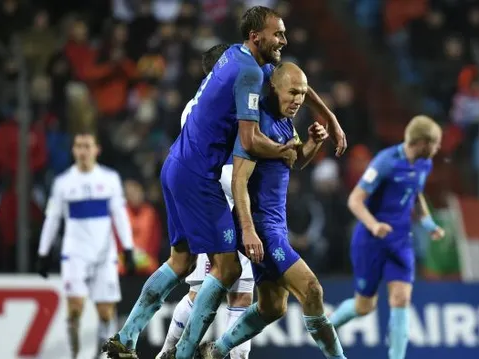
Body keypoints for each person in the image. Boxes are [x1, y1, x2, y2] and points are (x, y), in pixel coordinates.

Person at [104, 6, 347, 359]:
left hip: (177, 166)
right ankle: (185, 354)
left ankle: (126, 338)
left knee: (182, 263)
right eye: (277, 34)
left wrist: (331, 120)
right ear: (255, 37)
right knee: (227, 270)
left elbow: (293, 82)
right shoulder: (250, 77)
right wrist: (284, 151)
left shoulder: (236, 58)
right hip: (203, 178)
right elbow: (249, 142)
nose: (283, 40)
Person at [198, 62, 346, 359]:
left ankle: (216, 352)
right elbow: (239, 181)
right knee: (312, 290)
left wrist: (314, 143)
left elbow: (290, 161)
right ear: (274, 87)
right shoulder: (258, 123)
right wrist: (249, 229)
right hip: (262, 227)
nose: (298, 100)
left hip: (274, 225)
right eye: (293, 92)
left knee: (273, 307)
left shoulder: (284, 121)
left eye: (303, 94)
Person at [156, 43, 255, 359]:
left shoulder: (197, 104)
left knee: (224, 291)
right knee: (217, 291)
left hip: (219, 197)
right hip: (221, 195)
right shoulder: (219, 105)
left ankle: (169, 351)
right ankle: (171, 351)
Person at [328, 116, 445, 359]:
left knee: (401, 298)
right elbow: (355, 200)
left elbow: (415, 194)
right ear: (422, 142)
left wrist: (428, 223)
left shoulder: (424, 164)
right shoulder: (385, 162)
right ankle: (327, 325)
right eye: (435, 144)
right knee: (364, 306)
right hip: (371, 241)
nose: (437, 149)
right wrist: (374, 225)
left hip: (401, 240)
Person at [37, 131, 136, 359]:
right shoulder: (63, 183)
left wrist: (128, 248)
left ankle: (102, 356)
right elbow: (52, 219)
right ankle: (74, 354)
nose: (83, 151)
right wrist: (43, 253)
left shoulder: (109, 179)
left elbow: (119, 215)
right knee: (74, 309)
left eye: (87, 146)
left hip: (104, 253)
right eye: (78, 146)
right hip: (75, 254)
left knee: (105, 312)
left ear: (96, 150)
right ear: (73, 150)